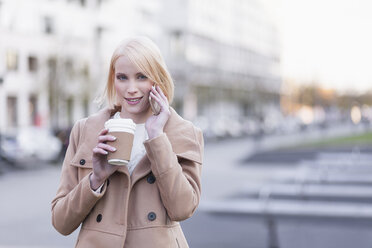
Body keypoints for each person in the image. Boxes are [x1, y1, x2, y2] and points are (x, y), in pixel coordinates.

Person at [51, 36, 204, 248]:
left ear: (157, 80)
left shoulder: (183, 133)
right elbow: (61, 222)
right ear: (113, 80)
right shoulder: (86, 130)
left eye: (141, 77)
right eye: (122, 77)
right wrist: (95, 180)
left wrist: (157, 137)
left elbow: (183, 208)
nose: (131, 88)